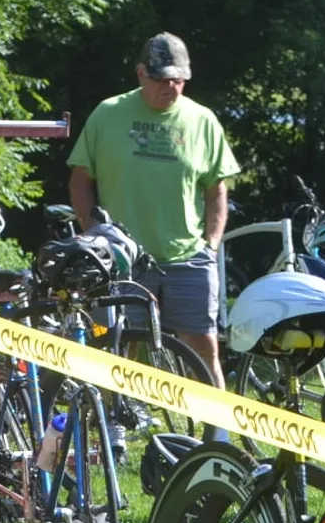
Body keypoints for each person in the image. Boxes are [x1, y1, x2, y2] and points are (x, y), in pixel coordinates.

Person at [68, 32, 241, 386]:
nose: (172, 88)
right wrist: (92, 233)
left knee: (204, 347)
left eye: (179, 80)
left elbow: (216, 188)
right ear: (141, 74)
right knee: (118, 346)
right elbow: (80, 179)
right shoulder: (108, 113)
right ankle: (114, 430)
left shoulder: (202, 120)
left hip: (188, 256)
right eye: (163, 79)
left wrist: (211, 243)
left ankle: (218, 436)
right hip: (121, 258)